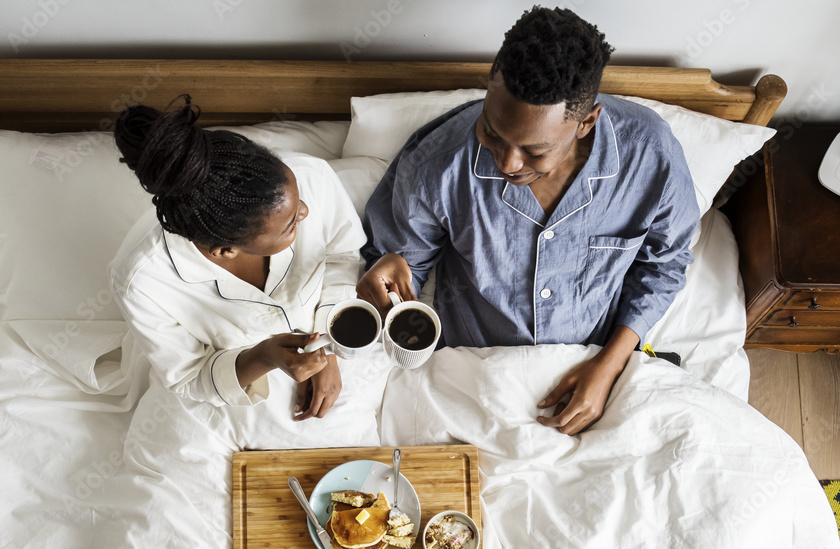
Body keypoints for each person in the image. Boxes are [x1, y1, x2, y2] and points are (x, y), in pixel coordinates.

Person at [357, 6, 699, 435]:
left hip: (599, 364)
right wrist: (386, 276)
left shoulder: (652, 158)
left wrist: (609, 366)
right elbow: (402, 269)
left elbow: (663, 266)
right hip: (476, 373)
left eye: (535, 151)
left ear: (586, 122)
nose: (507, 162)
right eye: (492, 133)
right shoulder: (436, 165)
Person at [110, 96, 364, 420]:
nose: (306, 211)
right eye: (290, 225)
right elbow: (189, 377)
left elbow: (343, 254)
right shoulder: (141, 281)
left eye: (298, 201)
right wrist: (264, 357)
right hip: (239, 395)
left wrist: (328, 348)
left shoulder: (312, 177)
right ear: (225, 251)